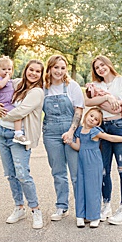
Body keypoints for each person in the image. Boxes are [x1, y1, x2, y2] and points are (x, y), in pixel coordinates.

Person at [0, 59, 45, 229]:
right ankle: (19, 207)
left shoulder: (37, 92)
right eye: (31, 69)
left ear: (41, 74)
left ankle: (35, 210)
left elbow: (21, 111)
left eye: (38, 71)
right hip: (3, 133)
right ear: (25, 70)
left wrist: (1, 113)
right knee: (10, 173)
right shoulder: (16, 83)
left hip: (19, 137)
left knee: (22, 174)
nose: (33, 73)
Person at [84, 55, 122, 225]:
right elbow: (87, 101)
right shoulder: (96, 86)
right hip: (102, 128)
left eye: (102, 65)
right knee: (103, 169)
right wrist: (107, 98)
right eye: (97, 67)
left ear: (109, 64)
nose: (100, 69)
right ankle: (106, 205)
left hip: (120, 126)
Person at [67, 107, 122, 228]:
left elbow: (110, 137)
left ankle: (94, 216)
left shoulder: (95, 131)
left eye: (96, 119)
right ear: (86, 116)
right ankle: (80, 215)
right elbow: (78, 147)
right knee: (81, 187)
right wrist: (69, 142)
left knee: (93, 188)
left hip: (93, 163)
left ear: (98, 123)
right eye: (91, 116)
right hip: (82, 162)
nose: (92, 119)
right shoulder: (79, 130)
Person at [41, 55, 85, 222]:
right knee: (58, 172)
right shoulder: (44, 87)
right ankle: (61, 206)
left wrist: (71, 132)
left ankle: (81, 209)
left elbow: (79, 111)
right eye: (56, 67)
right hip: (51, 133)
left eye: (62, 68)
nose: (59, 71)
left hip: (70, 131)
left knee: (75, 173)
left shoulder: (72, 86)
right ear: (50, 68)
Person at [0, 56, 29, 145]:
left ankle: (17, 133)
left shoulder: (11, 82)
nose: (7, 71)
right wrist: (7, 78)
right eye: (4, 69)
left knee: (17, 115)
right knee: (17, 115)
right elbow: (0, 86)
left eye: (9, 69)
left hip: (9, 103)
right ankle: (18, 133)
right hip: (4, 104)